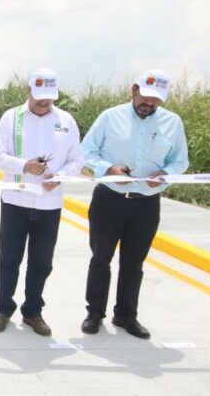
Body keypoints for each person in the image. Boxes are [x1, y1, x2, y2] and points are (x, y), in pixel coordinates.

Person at [79, 70, 189, 339]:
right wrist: (108, 168)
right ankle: (94, 313)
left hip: (146, 204)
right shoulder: (109, 117)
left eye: (156, 100)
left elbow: (180, 161)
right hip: (109, 200)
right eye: (145, 97)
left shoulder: (172, 123)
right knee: (101, 259)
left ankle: (126, 316)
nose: (149, 104)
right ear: (134, 89)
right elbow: (86, 151)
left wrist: (164, 178)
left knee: (134, 263)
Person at [0, 68, 84, 336]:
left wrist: (61, 176)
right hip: (15, 201)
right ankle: (3, 309)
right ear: (28, 91)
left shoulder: (66, 120)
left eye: (49, 99)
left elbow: (77, 161)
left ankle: (33, 312)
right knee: (9, 259)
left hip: (49, 204)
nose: (44, 104)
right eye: (39, 98)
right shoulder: (11, 118)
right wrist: (24, 166)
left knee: (41, 262)